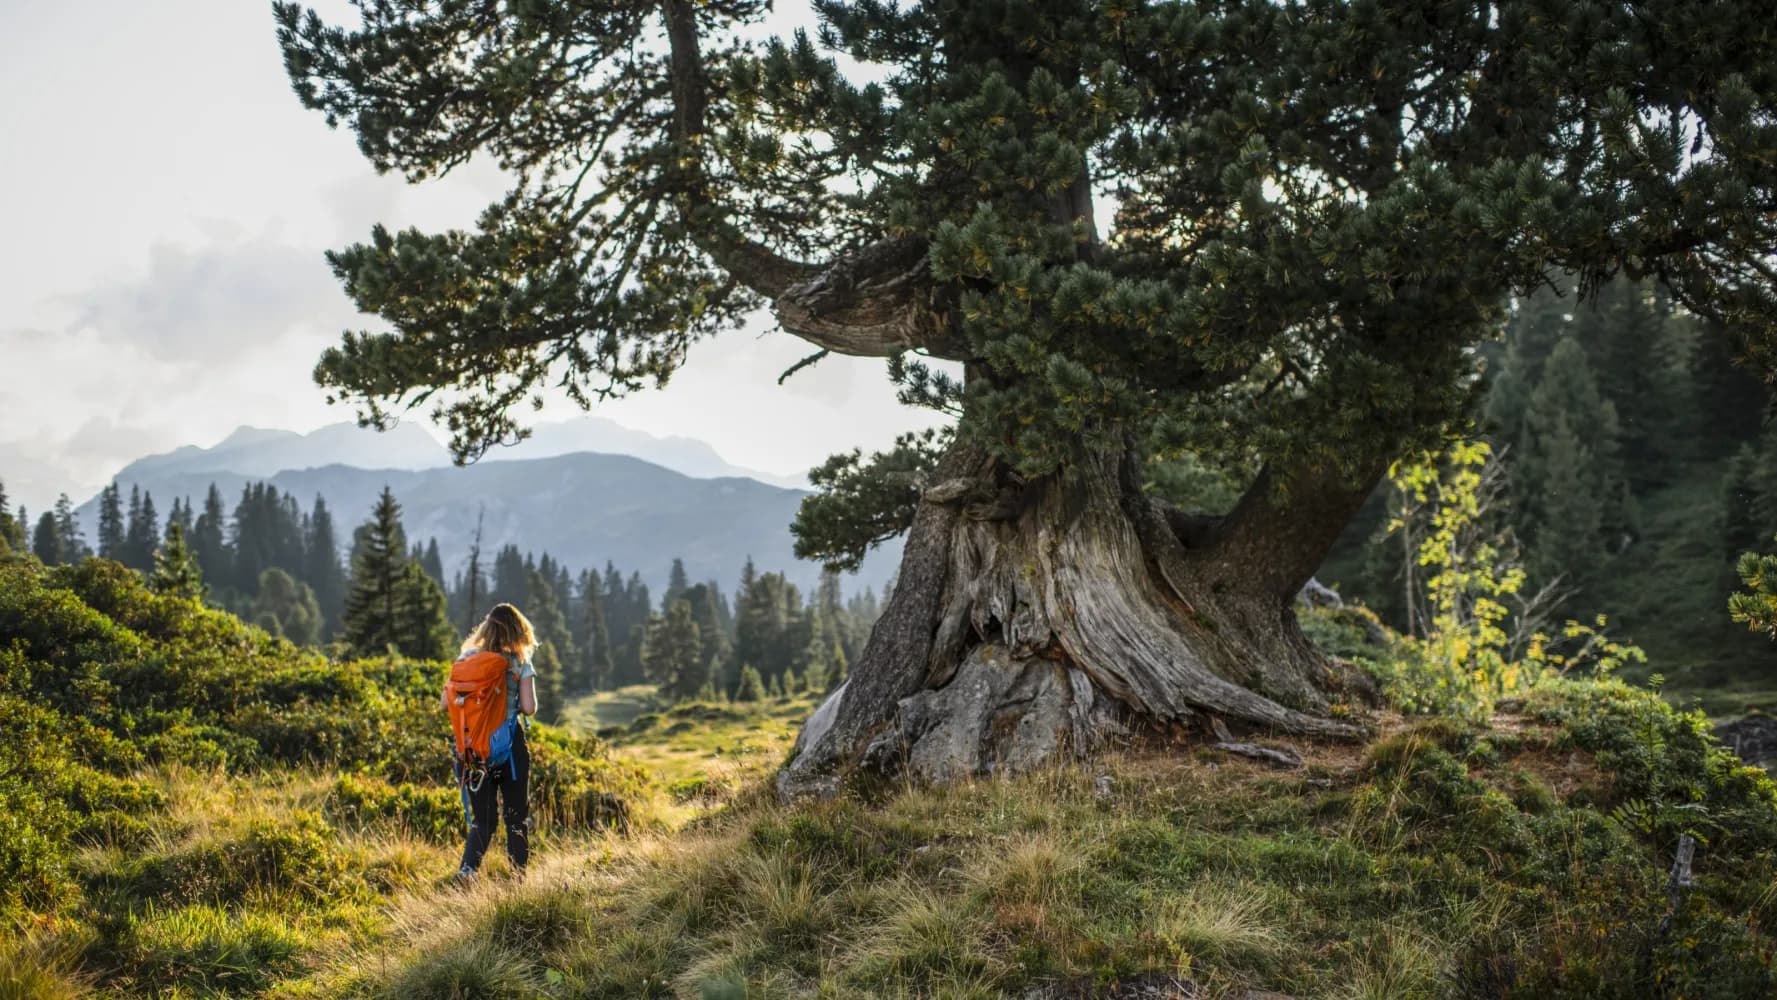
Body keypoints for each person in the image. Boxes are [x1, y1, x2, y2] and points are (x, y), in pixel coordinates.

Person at [443, 603, 538, 882]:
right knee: (515, 817)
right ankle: (517, 879)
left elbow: (444, 702)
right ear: (519, 631)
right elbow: (529, 708)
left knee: (483, 821)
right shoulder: (519, 662)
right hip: (508, 751)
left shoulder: (466, 660)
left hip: (473, 755)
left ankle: (467, 871)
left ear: (486, 629)